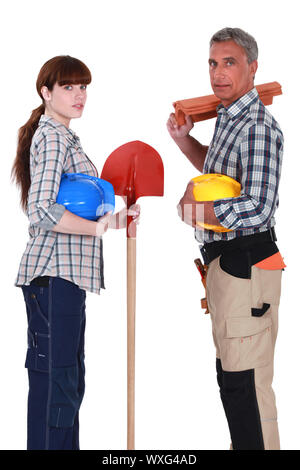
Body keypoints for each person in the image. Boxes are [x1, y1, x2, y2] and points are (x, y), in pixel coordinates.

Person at [11, 55, 140, 450]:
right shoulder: (51, 136)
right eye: (68, 87)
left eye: (83, 86)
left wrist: (114, 222)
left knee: (64, 382)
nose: (79, 94)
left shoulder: (63, 137)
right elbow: (43, 209)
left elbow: (72, 208)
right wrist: (98, 227)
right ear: (46, 93)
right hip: (54, 277)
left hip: (63, 279)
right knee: (58, 385)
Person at [167, 28, 285, 450]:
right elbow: (224, 177)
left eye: (229, 62)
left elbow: (258, 206)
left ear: (253, 67)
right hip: (227, 263)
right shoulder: (228, 117)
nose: (218, 73)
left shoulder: (256, 126)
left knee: (246, 385)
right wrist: (185, 143)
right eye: (213, 63)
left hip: (247, 259)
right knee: (233, 380)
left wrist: (196, 212)